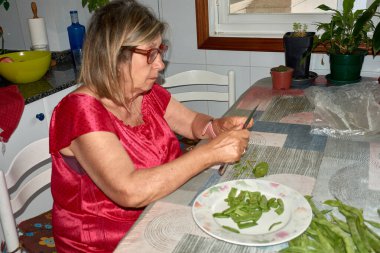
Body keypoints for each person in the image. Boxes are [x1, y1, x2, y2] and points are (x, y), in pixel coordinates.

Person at [49, 0, 252, 252]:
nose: (160, 64)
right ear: (115, 55)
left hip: (161, 215)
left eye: (160, 50)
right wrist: (209, 152)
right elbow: (130, 191)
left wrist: (215, 127)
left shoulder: (146, 94)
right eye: (150, 53)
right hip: (107, 243)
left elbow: (190, 123)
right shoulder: (80, 111)